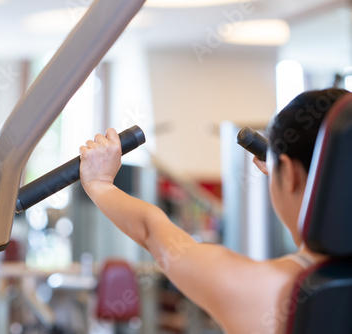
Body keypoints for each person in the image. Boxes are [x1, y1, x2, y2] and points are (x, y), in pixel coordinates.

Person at [79, 88, 350, 334]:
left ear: (289, 174)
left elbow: (152, 229)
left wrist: (99, 184)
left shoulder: (263, 291)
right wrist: (285, 173)